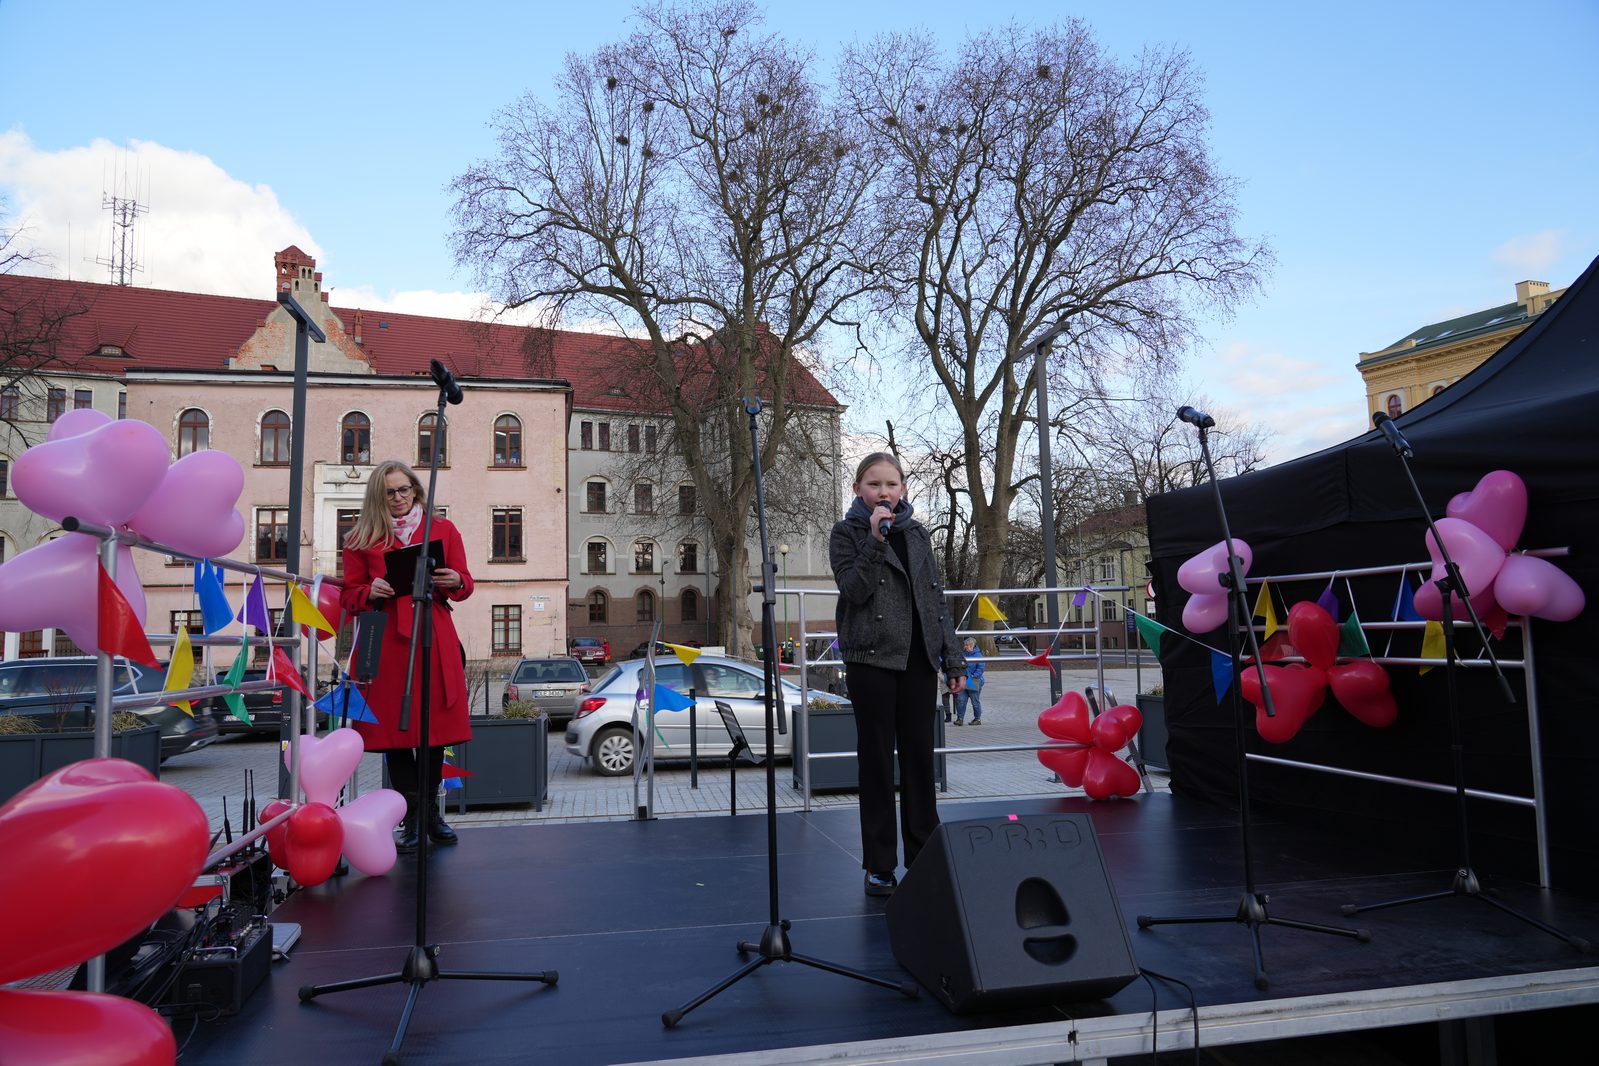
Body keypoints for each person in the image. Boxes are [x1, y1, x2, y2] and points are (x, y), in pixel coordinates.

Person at [830, 452, 964, 897]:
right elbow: (854, 589)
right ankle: (880, 864)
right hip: (871, 660)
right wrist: (875, 540)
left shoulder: (920, 535)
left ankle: (925, 854)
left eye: (890, 484)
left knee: (920, 761)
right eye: (873, 484)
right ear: (858, 490)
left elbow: (934, 601)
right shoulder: (846, 533)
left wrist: (953, 661)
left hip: (918, 661)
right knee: (875, 763)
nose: (883, 492)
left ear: (903, 488)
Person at [340, 459, 474, 853]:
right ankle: (412, 818)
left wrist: (455, 580)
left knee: (432, 731)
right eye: (389, 493)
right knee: (398, 735)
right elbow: (349, 595)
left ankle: (432, 814)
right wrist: (370, 591)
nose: (398, 499)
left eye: (404, 490)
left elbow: (465, 584)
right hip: (385, 639)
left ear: (415, 489)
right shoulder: (361, 538)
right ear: (377, 498)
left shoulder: (443, 530)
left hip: (432, 632)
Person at [954, 636, 984, 725]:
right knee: (961, 700)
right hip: (964, 680)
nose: (966, 647)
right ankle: (960, 719)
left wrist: (973, 675)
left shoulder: (978, 655)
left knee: (975, 701)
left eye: (967, 645)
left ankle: (977, 719)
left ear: (972, 645)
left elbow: (980, 668)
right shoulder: (963, 654)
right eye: (965, 645)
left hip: (974, 681)